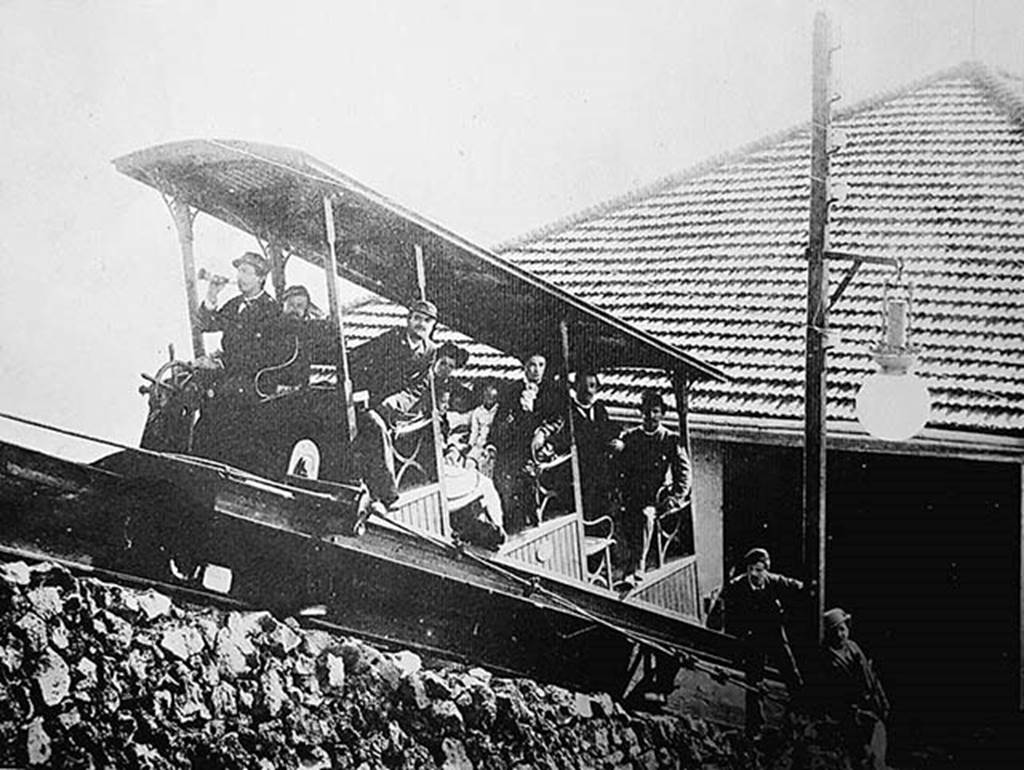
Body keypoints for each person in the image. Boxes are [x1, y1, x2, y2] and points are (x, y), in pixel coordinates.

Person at [348, 300, 439, 511]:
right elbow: (359, 357)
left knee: (379, 426)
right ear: (409, 320)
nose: (421, 324)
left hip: (399, 407)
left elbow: (419, 388)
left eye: (427, 321)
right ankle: (387, 495)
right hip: (370, 400)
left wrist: (396, 403)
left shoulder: (430, 351)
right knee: (373, 425)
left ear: (433, 326)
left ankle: (378, 495)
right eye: (417, 318)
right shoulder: (392, 338)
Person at [706, 547, 805, 735]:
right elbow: (721, 606)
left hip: (774, 633)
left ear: (766, 570)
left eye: (758, 570)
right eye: (751, 568)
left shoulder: (775, 581)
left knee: (791, 672)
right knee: (754, 682)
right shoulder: (737, 586)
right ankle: (755, 728)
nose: (753, 574)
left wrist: (790, 611)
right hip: (753, 637)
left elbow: (800, 588)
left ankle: (801, 714)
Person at [614, 389, 691, 583]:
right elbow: (616, 466)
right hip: (630, 496)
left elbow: (684, 474)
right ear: (641, 413)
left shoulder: (670, 440)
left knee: (645, 516)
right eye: (647, 411)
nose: (650, 416)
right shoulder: (630, 437)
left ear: (662, 413)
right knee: (614, 516)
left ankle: (637, 566)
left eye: (655, 411)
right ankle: (619, 565)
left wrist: (675, 498)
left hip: (655, 499)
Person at [530, 368, 620, 519]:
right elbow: (553, 426)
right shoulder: (568, 411)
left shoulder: (599, 409)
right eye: (583, 386)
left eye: (591, 386)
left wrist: (618, 442)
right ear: (575, 387)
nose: (587, 391)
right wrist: (541, 434)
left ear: (597, 389)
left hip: (599, 470)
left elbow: (610, 431)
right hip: (574, 470)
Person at [489, 353, 564, 533]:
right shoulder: (512, 390)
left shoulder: (551, 393)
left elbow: (558, 420)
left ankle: (529, 529)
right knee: (506, 486)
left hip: (537, 451)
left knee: (529, 486)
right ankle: (509, 528)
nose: (536, 370)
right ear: (525, 367)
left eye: (541, 365)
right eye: (532, 365)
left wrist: (544, 432)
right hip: (512, 449)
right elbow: (499, 420)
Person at [194, 251, 280, 392]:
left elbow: (260, 354)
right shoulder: (234, 304)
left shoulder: (270, 308)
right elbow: (205, 325)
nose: (240, 277)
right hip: (230, 373)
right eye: (239, 271)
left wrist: (220, 363)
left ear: (261, 278)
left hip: (255, 380)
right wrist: (212, 294)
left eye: (246, 272)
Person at [819, 608, 890, 770]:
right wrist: (853, 711)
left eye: (842, 629)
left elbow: (869, 677)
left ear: (848, 628)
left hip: (869, 703)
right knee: (858, 751)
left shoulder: (853, 647)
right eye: (834, 631)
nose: (839, 635)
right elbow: (833, 692)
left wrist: (880, 700)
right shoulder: (828, 656)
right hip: (850, 711)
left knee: (877, 744)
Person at [466, 378, 500, 476]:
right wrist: (470, 445)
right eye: (487, 396)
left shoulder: (499, 411)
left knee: (487, 466)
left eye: (492, 397)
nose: (489, 400)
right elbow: (474, 431)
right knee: (469, 463)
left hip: (492, 445)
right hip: (479, 444)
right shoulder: (477, 412)